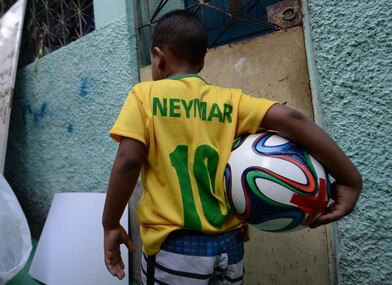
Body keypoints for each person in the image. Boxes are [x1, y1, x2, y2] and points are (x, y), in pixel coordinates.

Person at [102, 9, 362, 285]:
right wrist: (350, 179)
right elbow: (290, 118)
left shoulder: (144, 96)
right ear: (201, 65)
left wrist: (110, 223)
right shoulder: (230, 102)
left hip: (174, 247)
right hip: (230, 246)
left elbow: (128, 162)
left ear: (159, 57)